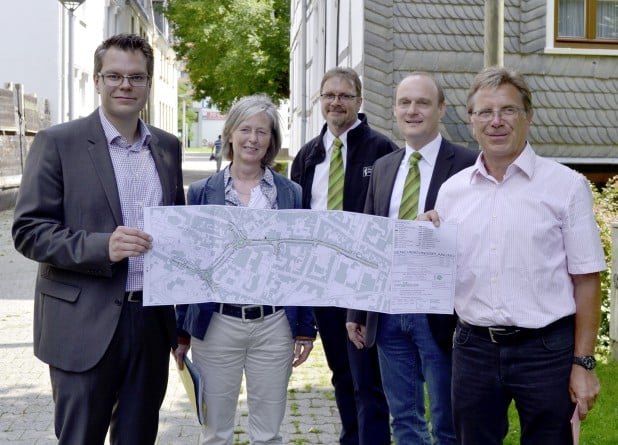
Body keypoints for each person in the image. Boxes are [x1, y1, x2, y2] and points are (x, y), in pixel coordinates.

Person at [11, 33, 185, 444]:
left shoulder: (167, 147)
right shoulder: (58, 142)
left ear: (149, 83)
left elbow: (177, 231)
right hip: (83, 323)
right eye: (115, 76)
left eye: (137, 78)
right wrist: (101, 246)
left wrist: (183, 321)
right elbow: (28, 230)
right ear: (97, 80)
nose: (125, 85)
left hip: (149, 323)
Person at [422, 66, 606, 445]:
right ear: (471, 121)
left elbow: (587, 279)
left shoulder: (566, 187)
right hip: (473, 349)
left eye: (508, 110)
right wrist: (422, 239)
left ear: (529, 116)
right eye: (484, 112)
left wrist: (583, 363)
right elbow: (437, 274)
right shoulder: (452, 192)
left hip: (547, 351)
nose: (496, 121)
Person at [174, 94, 317, 445]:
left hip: (274, 326)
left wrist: (305, 327)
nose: (253, 138)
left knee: (268, 434)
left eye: (262, 132)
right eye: (245, 129)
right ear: (230, 134)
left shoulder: (291, 193)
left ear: (272, 141)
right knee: (215, 433)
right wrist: (180, 331)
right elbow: (187, 263)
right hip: (216, 324)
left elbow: (302, 261)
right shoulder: (200, 192)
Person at [346, 72, 477, 445]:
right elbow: (371, 241)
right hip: (388, 310)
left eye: (422, 102)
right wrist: (358, 310)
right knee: (404, 419)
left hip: (441, 312)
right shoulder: (386, 166)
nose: (412, 110)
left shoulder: (468, 164)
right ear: (394, 110)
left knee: (447, 420)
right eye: (405, 103)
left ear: (441, 109)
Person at [290, 67, 397, 445]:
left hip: (363, 282)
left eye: (345, 96)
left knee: (368, 378)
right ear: (320, 101)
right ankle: (350, 438)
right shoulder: (307, 156)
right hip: (323, 281)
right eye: (329, 95)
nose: (336, 102)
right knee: (340, 372)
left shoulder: (382, 151)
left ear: (359, 101)